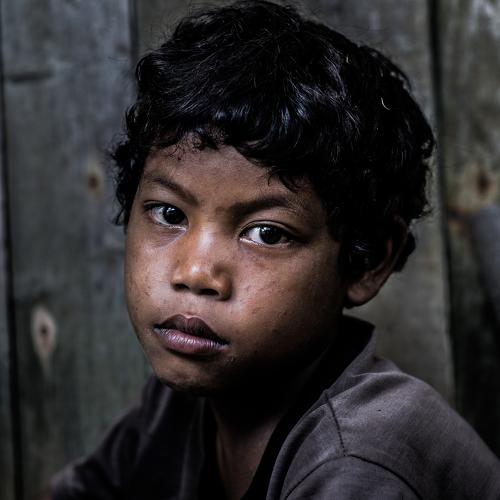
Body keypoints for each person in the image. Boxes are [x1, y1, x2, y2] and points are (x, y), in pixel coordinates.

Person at [51, 1, 500, 498]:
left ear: (368, 261)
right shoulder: (180, 404)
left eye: (266, 233)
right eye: (169, 214)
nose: (195, 272)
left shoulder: (359, 460)